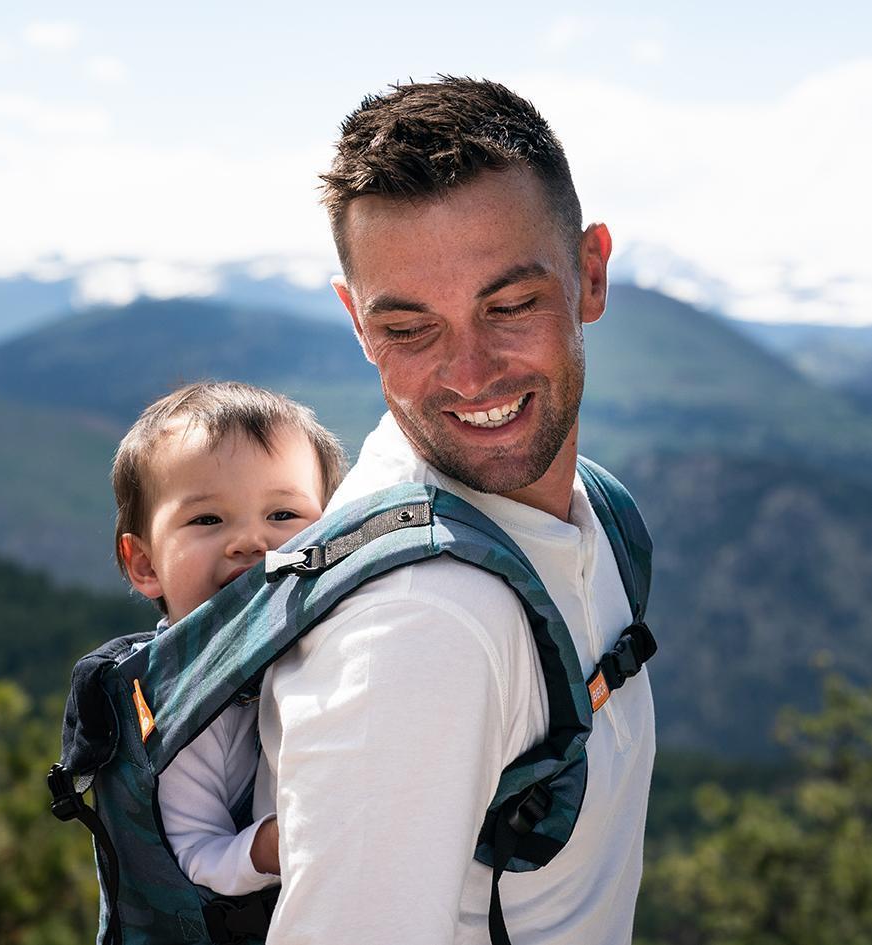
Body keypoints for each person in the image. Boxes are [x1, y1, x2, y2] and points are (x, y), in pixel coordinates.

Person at [250, 78, 655, 943]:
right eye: (409, 329)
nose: (470, 374)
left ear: (589, 272)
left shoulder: (594, 514)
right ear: (357, 323)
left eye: (508, 306)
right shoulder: (417, 627)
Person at [111, 380, 346, 896]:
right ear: (146, 565)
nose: (250, 542)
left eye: (283, 515)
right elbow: (197, 852)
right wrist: (274, 845)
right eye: (207, 519)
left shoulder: (342, 632)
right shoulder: (180, 705)